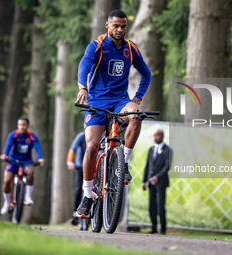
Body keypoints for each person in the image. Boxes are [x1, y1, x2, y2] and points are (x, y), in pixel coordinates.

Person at [75, 10, 151, 218]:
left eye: (123, 26)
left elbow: (146, 73)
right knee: (91, 147)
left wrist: (138, 98)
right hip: (97, 101)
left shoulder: (130, 48)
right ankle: (87, 194)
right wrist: (83, 88)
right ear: (107, 25)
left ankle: (124, 162)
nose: (120, 30)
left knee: (136, 115)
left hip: (120, 101)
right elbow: (84, 66)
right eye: (116, 26)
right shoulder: (97, 45)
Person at [0, 117, 45, 214]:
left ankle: (27, 197)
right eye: (20, 125)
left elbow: (37, 148)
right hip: (13, 160)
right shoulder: (13, 135)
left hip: (26, 161)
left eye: (24, 125)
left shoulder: (33, 136)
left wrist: (40, 158)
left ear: (28, 126)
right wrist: (4, 155)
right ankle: (7, 203)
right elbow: (8, 146)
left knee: (30, 172)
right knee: (7, 181)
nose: (22, 127)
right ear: (17, 125)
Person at [142, 130, 172, 235]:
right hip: (150, 182)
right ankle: (153, 227)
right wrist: (144, 181)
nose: (155, 137)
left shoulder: (167, 150)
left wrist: (157, 177)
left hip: (161, 182)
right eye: (154, 135)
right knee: (152, 206)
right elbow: (147, 166)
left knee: (160, 206)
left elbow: (167, 166)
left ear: (162, 136)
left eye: (157, 135)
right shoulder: (151, 150)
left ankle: (163, 228)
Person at [67, 132, 86, 225]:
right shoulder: (81, 136)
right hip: (80, 166)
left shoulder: (100, 137)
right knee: (78, 189)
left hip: (94, 167)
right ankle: (75, 212)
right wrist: (70, 161)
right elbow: (72, 149)